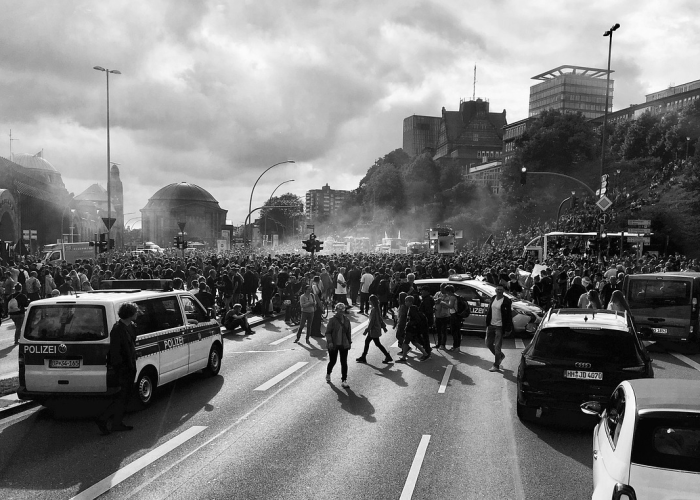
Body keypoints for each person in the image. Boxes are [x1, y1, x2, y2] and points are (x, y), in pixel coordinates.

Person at [96, 302, 138, 435]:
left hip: (130, 366)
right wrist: (120, 368)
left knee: (125, 397)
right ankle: (103, 419)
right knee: (121, 397)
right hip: (123, 368)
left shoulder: (130, 326)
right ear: (129, 314)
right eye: (135, 312)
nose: (137, 314)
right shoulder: (117, 329)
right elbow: (115, 352)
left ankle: (117, 423)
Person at [356, 295, 392, 364]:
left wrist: (367, 330)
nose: (368, 301)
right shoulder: (377, 308)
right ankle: (363, 356)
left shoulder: (374, 310)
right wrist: (383, 327)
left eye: (369, 300)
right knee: (369, 342)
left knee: (377, 343)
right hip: (375, 329)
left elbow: (372, 321)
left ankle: (387, 356)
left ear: (372, 301)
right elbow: (380, 318)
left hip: (373, 330)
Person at [485, 284, 512, 373]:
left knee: (497, 347)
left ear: (503, 291)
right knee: (488, 344)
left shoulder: (506, 301)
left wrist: (508, 328)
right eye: (498, 289)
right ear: (495, 290)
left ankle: (496, 365)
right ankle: (501, 356)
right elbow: (490, 311)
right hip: (491, 325)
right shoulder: (493, 298)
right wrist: (487, 322)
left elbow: (509, 315)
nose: (499, 291)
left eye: (501, 290)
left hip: (499, 327)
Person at [325, 303, 352, 388]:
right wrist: (330, 342)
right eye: (339, 310)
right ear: (336, 310)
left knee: (344, 362)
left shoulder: (347, 320)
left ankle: (344, 380)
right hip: (333, 344)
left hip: (344, 344)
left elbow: (348, 332)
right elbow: (328, 332)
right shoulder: (332, 320)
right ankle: (328, 373)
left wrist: (349, 342)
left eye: (342, 310)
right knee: (333, 361)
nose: (341, 312)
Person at [397, 295, 430, 362]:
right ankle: (425, 354)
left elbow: (416, 319)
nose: (405, 303)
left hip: (411, 329)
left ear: (410, 302)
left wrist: (409, 324)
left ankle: (404, 358)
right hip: (412, 329)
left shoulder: (412, 309)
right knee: (414, 342)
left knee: (406, 342)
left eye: (406, 301)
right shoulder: (413, 308)